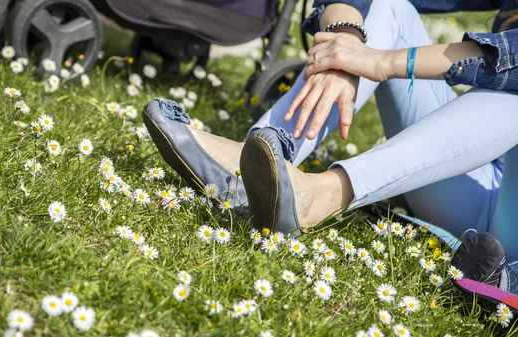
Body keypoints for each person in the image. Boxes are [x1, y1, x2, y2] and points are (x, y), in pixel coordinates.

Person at [142, 0, 518, 299]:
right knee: (388, 8)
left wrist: (380, 62)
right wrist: (348, 41)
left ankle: (325, 193)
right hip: (474, 182)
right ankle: (252, 165)